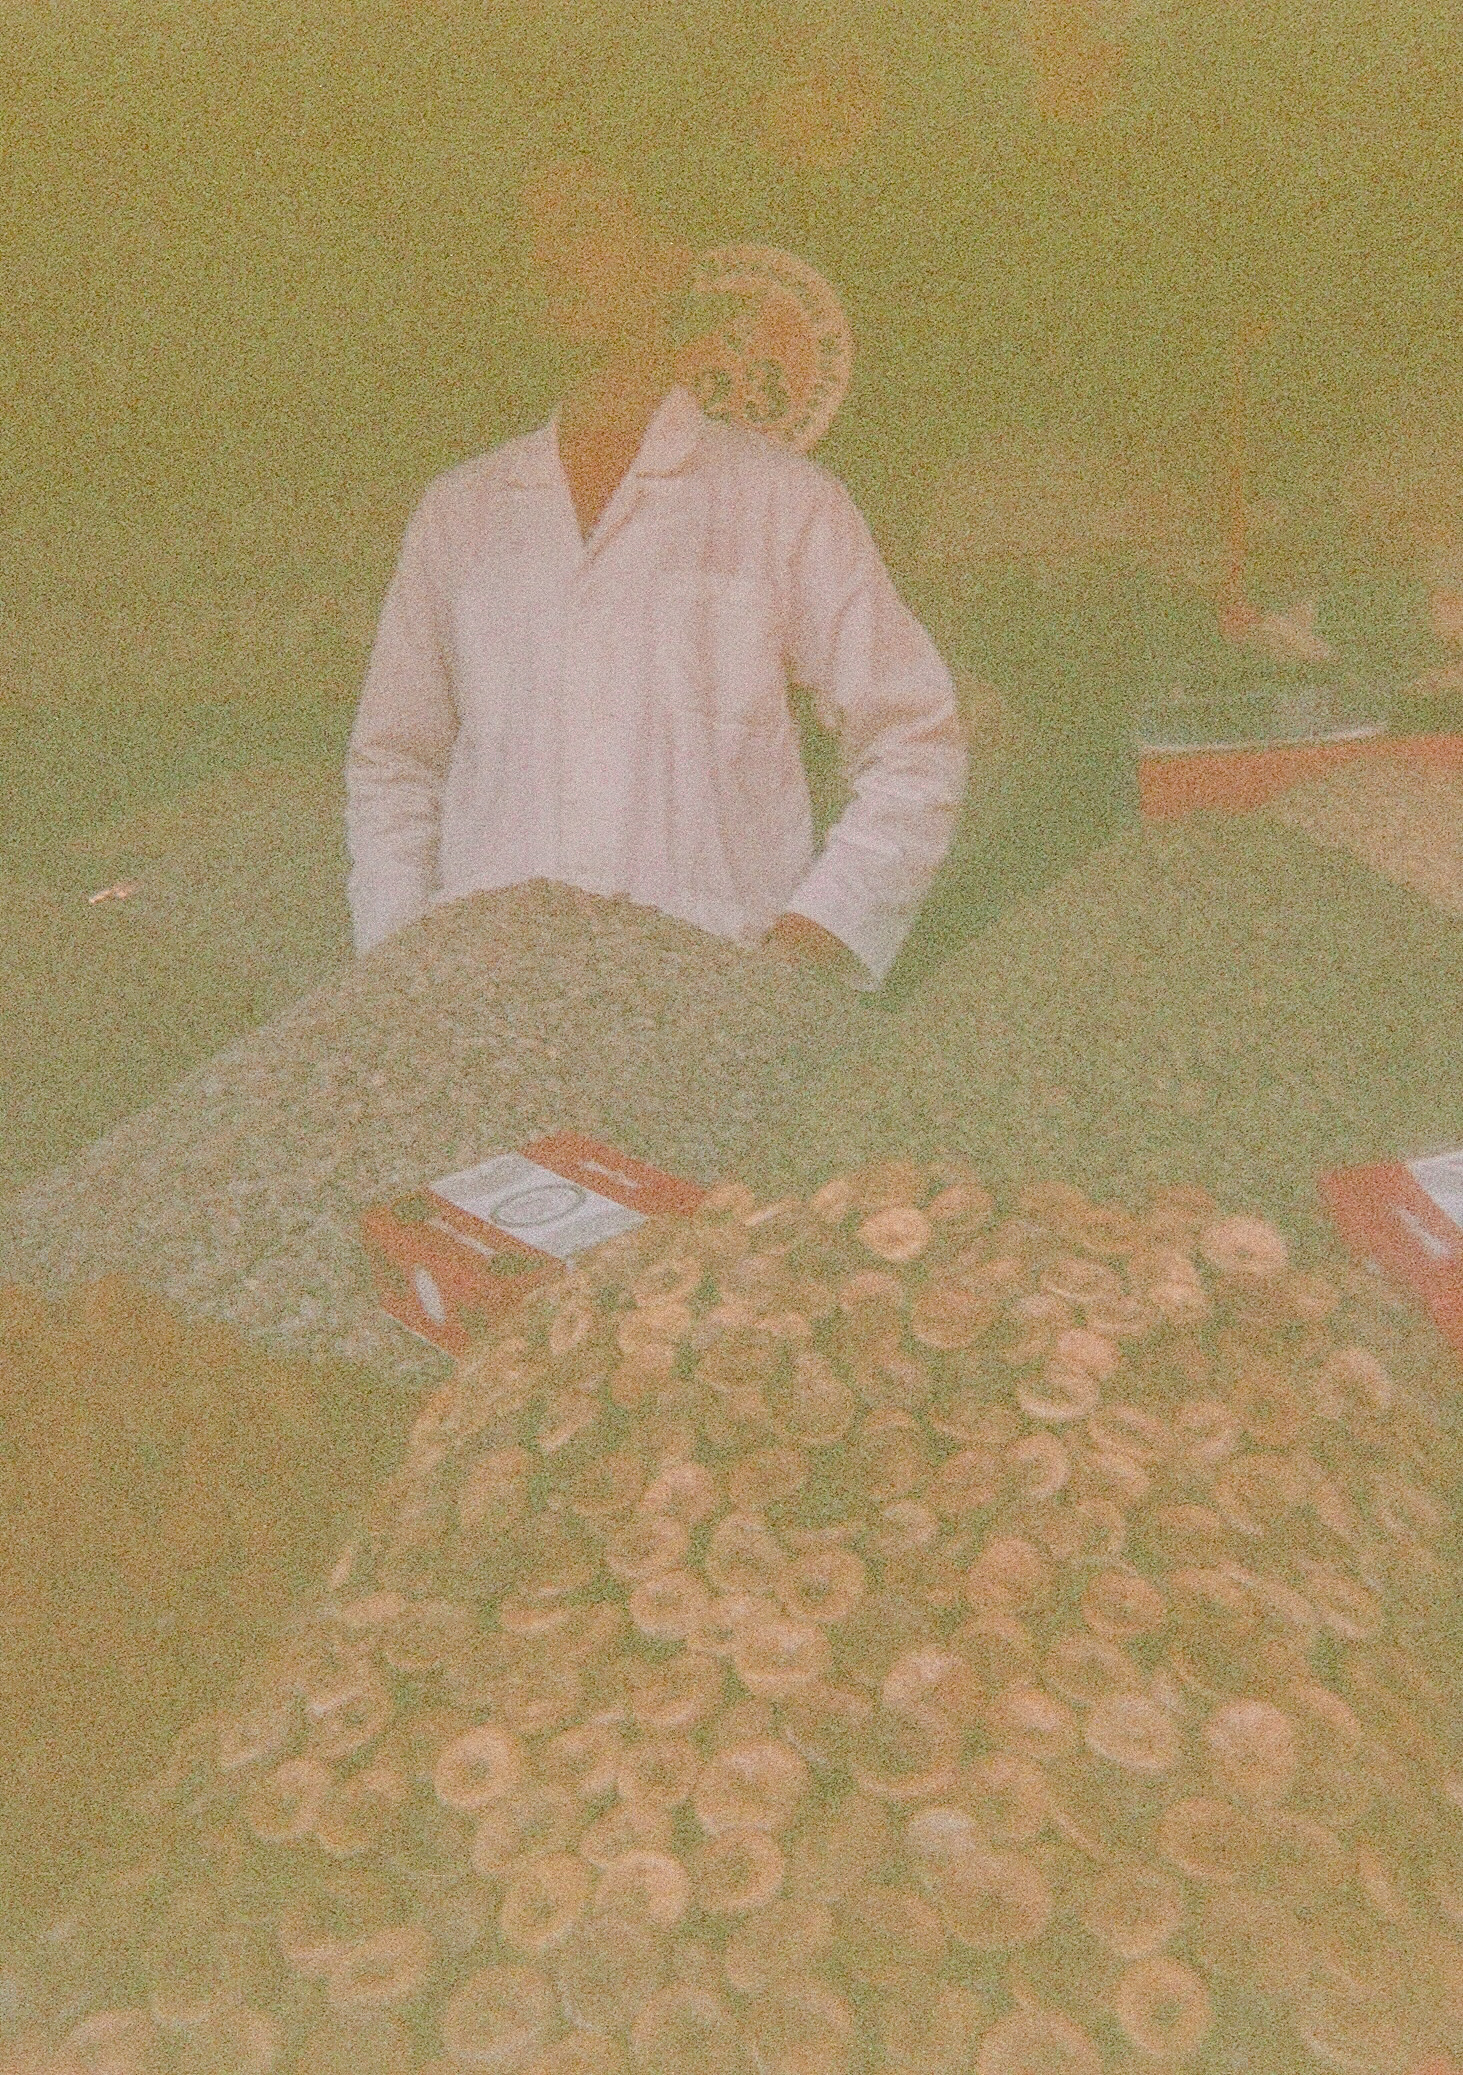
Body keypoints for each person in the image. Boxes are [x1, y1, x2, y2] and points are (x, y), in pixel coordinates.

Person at [343, 152, 968, 991]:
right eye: (529, 238)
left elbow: (912, 739)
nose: (549, 258)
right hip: (488, 999)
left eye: (583, 226)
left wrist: (804, 946)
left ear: (670, 257)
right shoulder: (461, 511)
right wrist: (401, 977)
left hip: (707, 994)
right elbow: (395, 766)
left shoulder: (781, 500)